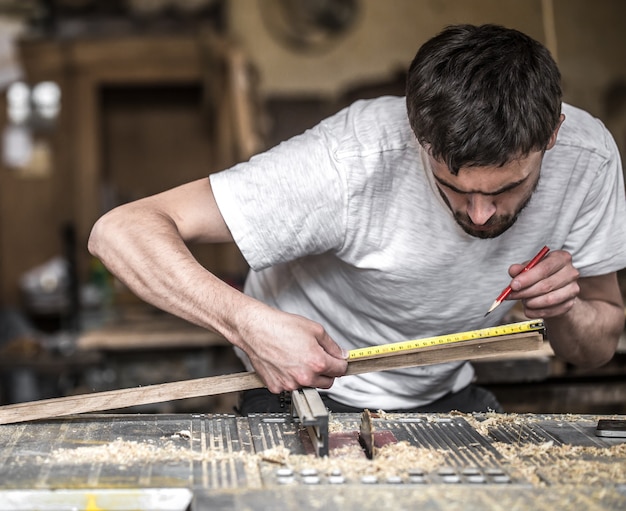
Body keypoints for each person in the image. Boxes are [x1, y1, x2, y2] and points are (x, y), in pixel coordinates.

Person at [88, 24, 626, 414]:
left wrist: (567, 309)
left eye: (508, 188)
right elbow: (121, 231)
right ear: (418, 136)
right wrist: (247, 323)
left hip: (443, 392)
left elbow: (596, 347)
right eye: (453, 189)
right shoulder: (349, 161)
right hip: (305, 389)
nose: (481, 215)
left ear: (552, 136)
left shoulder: (590, 159)